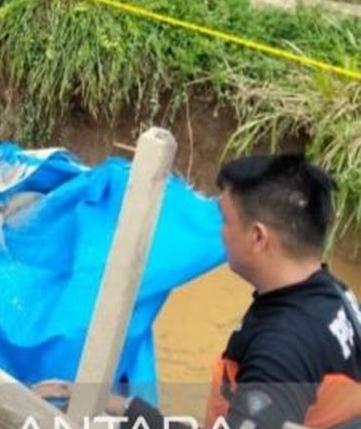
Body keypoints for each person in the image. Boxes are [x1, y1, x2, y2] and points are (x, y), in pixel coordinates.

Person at [36, 153, 361, 429]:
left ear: (258, 237)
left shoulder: (281, 351)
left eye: (225, 219)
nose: (220, 233)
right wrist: (128, 409)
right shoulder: (331, 296)